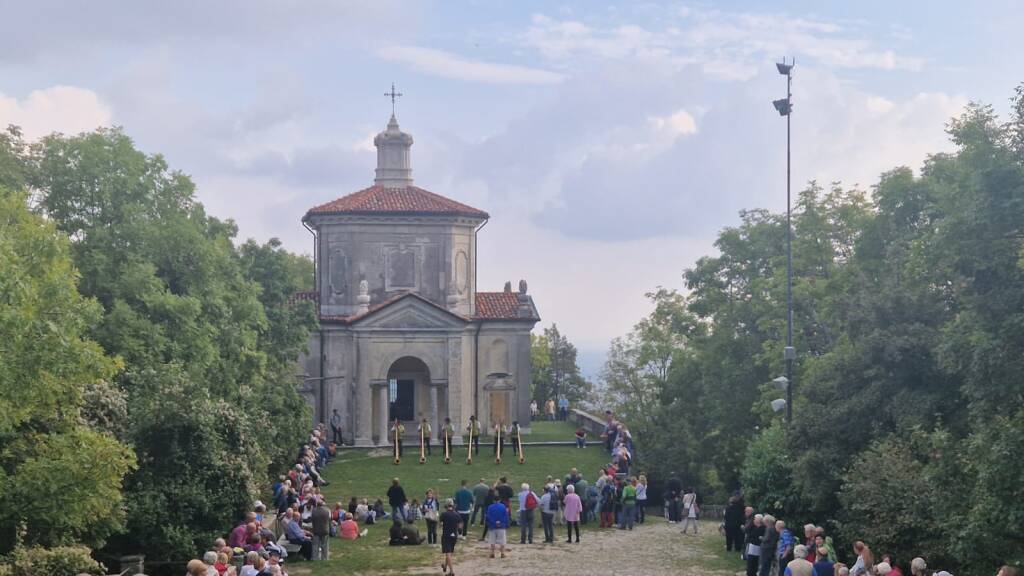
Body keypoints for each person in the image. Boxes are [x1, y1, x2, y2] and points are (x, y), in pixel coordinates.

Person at [439, 499, 462, 575]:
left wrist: (442, 525)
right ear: (452, 505)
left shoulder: (443, 514)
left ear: (446, 505)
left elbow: (440, 524)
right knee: (449, 553)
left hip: (446, 535)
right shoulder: (457, 514)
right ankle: (445, 566)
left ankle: (452, 572)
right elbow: (460, 526)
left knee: (448, 553)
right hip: (454, 536)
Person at [485, 493, 509, 559]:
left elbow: (488, 516)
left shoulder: (490, 507)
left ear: (493, 500)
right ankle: (502, 553)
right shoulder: (503, 506)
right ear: (499, 500)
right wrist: (501, 522)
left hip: (492, 526)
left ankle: (492, 553)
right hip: (501, 526)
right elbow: (505, 516)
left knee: (492, 540)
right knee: (502, 540)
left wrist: (494, 522)